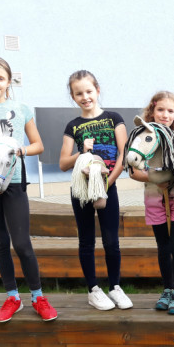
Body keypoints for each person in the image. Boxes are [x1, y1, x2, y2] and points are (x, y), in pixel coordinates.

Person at [0, 56, 57, 322]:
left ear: (9, 81)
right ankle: (13, 297)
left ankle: (38, 297)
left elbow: (38, 145)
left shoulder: (21, 109)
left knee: (22, 243)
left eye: (0, 78)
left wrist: (20, 150)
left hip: (14, 182)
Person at [60, 70, 132, 311]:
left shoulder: (113, 118)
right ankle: (93, 290)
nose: (85, 97)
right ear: (73, 96)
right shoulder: (73, 125)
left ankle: (115, 287)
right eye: (78, 93)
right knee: (86, 241)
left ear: (97, 90)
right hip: (81, 191)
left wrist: (107, 183)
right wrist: (81, 151)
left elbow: (124, 154)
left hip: (107, 186)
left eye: (89, 91)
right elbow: (63, 163)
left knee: (111, 241)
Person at [129, 91, 174, 314]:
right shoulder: (144, 138)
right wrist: (155, 178)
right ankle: (167, 289)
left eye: (170, 111)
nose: (165, 115)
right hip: (154, 199)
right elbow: (133, 172)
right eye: (160, 110)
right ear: (152, 111)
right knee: (163, 247)